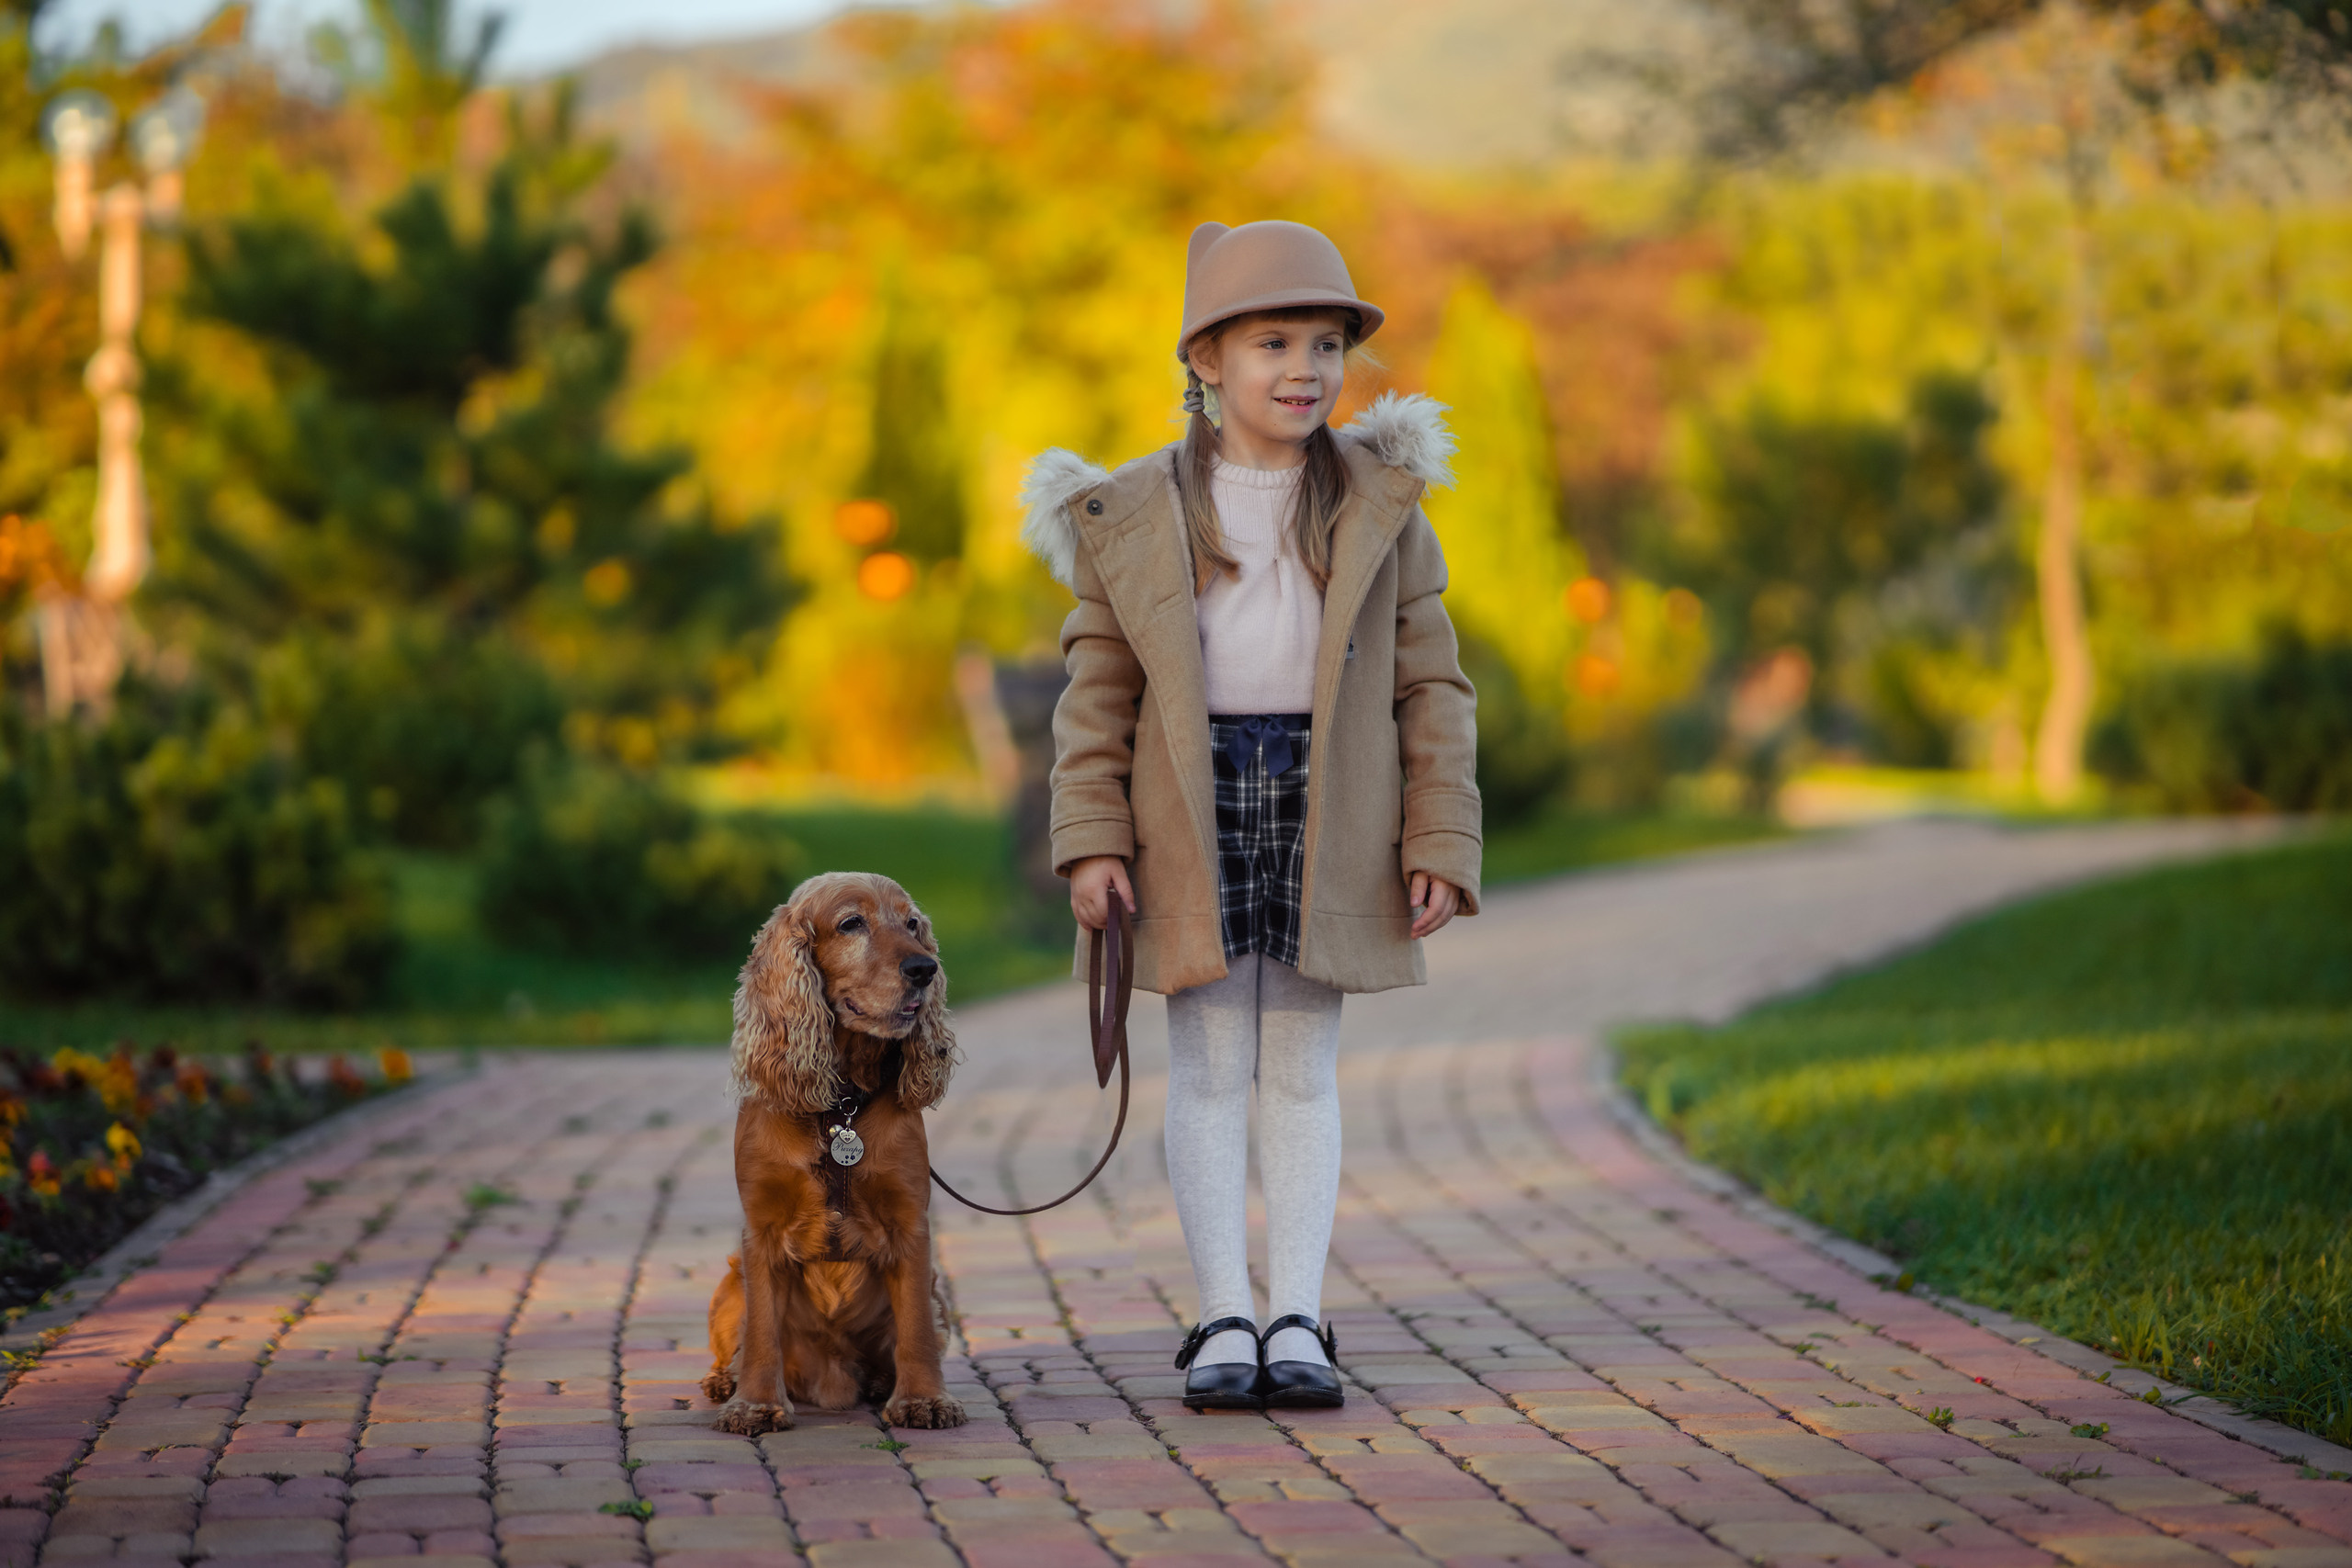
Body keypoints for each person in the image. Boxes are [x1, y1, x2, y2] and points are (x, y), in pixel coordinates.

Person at [1021, 220, 1481, 1410]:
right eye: (1273, 340)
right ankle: (1225, 1311)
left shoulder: (1386, 505)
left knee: (1303, 1068)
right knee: (1213, 1065)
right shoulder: (1133, 514)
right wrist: (1092, 842)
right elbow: (1097, 697)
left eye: (1327, 343)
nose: (1305, 367)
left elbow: (1432, 688)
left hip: (1333, 802)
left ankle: (1298, 1319)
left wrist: (1436, 838)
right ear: (1206, 361)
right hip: (1189, 801)